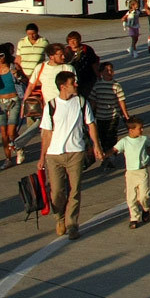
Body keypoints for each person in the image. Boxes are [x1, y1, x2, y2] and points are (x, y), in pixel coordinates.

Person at [38, 70, 103, 239]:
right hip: (54, 154)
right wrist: (41, 157)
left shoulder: (81, 102)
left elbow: (91, 125)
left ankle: (72, 223)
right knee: (57, 192)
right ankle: (59, 217)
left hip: (76, 152)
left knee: (75, 190)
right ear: (62, 86)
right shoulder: (51, 105)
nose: (76, 84)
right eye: (72, 82)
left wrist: (96, 145)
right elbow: (46, 133)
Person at [114, 117, 150, 229]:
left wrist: (147, 154)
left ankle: (146, 209)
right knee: (131, 197)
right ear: (131, 130)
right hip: (130, 172)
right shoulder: (124, 142)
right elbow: (115, 149)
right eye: (139, 128)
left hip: (142, 171)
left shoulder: (144, 139)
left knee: (143, 196)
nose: (142, 130)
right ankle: (134, 218)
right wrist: (104, 155)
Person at [90, 60, 131, 166]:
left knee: (111, 136)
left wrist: (125, 115)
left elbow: (121, 101)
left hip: (113, 116)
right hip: (100, 116)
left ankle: (111, 156)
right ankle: (105, 155)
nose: (109, 72)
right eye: (106, 70)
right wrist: (90, 114)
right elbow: (93, 101)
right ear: (101, 73)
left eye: (111, 70)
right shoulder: (97, 85)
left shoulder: (116, 85)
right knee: (102, 137)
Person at [0, 46, 25, 167]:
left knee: (11, 132)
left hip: (14, 100)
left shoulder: (13, 67)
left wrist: (18, 75)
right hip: (0, 101)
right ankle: (8, 158)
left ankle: (19, 148)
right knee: (3, 133)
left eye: (1, 55)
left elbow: (24, 80)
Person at [65, 31, 100, 95]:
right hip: (72, 79)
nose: (72, 42)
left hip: (87, 78)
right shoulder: (66, 51)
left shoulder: (86, 49)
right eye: (70, 40)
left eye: (74, 40)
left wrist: (98, 75)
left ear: (79, 40)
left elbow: (94, 63)